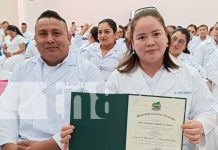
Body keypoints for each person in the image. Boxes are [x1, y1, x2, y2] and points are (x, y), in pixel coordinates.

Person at [60, 8, 216, 150]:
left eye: (156, 34)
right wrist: (79, 136)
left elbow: (208, 111)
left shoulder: (189, 74)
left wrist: (201, 124)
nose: (150, 42)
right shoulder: (119, 77)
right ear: (132, 43)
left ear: (167, 38)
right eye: (141, 37)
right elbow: (105, 123)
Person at [0, 10, 103, 150]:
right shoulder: (22, 69)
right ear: (35, 40)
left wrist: (49, 145)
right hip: (19, 143)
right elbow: (7, 107)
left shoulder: (88, 71)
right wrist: (8, 144)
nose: (49, 39)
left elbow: (90, 118)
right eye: (43, 34)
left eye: (56, 33)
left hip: (65, 146)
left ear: (68, 37)